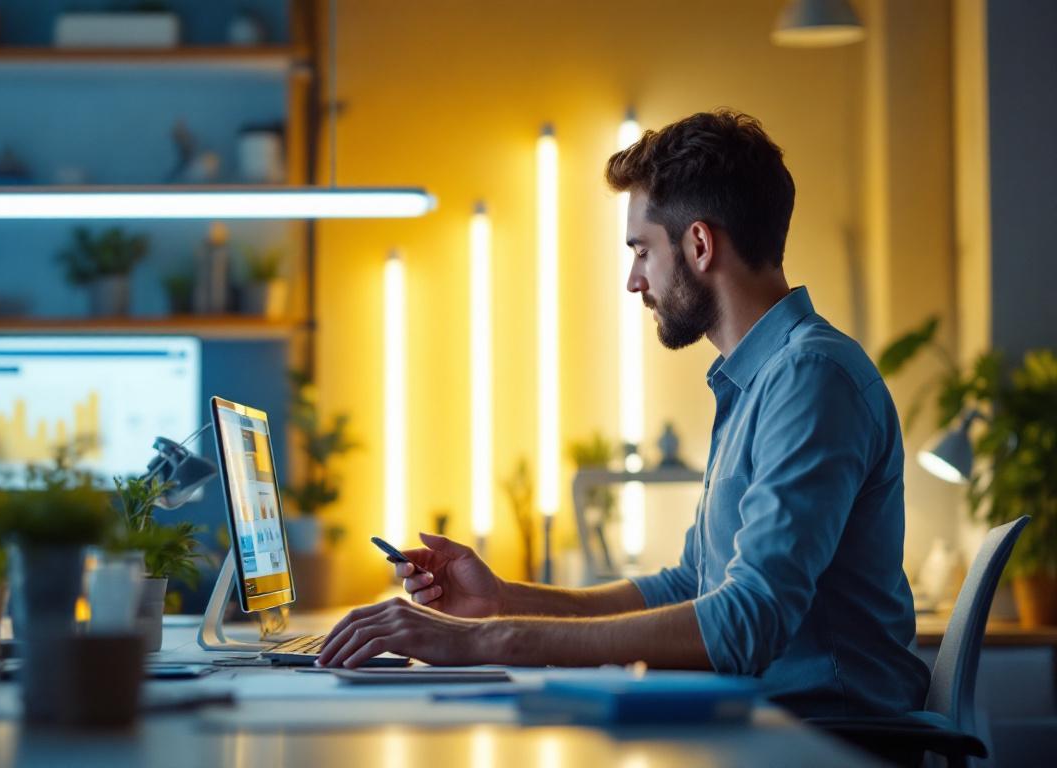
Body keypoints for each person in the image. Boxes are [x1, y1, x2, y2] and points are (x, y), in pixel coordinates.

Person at [316, 109, 931, 718]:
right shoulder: (759, 381)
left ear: (698, 244)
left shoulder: (809, 378)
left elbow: (746, 624)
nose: (635, 280)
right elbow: (689, 586)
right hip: (764, 728)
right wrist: (503, 602)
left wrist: (482, 642)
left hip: (828, 743)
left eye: (641, 250)